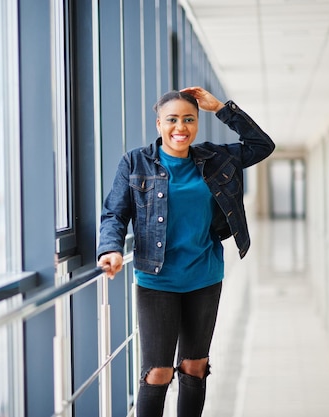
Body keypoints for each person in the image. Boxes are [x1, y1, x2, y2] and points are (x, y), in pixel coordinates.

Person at [96, 86, 275, 417]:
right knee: (157, 373)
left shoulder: (215, 158)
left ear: (196, 123)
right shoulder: (135, 162)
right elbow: (115, 214)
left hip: (205, 276)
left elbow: (262, 146)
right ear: (159, 124)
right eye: (172, 119)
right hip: (157, 280)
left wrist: (221, 108)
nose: (181, 127)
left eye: (189, 119)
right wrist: (111, 248)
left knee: (195, 366)